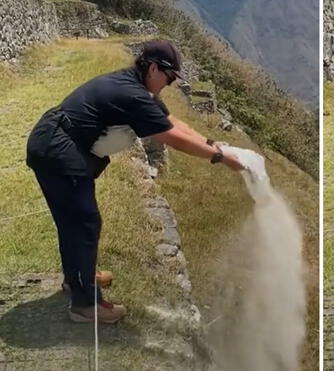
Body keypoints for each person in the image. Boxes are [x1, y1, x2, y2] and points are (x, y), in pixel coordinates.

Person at [26, 40, 245, 324]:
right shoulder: (133, 94)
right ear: (153, 68)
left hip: (58, 142)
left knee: (75, 219)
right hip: (58, 149)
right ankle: (84, 305)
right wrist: (220, 158)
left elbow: (172, 123)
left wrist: (214, 144)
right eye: (169, 77)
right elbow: (170, 138)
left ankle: (77, 280)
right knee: (84, 221)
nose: (170, 83)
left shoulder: (139, 88)